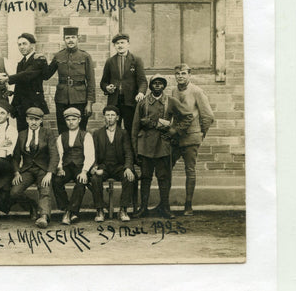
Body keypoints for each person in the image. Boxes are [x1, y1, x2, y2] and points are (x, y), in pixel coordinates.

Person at [131, 74, 193, 219]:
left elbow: (188, 116)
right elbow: (135, 128)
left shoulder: (170, 101)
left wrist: (175, 131)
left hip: (163, 146)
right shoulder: (143, 103)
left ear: (164, 86)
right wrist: (136, 151)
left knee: (164, 178)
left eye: (160, 83)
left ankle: (165, 208)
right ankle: (143, 208)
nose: (157, 86)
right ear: (150, 86)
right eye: (155, 83)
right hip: (145, 146)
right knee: (145, 178)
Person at [171, 64, 215, 216]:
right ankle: (164, 204)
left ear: (189, 75)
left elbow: (208, 116)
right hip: (177, 138)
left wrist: (201, 133)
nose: (180, 76)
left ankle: (188, 204)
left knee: (190, 170)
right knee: (166, 166)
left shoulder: (197, 91)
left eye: (183, 73)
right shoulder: (174, 91)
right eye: (177, 74)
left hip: (192, 137)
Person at [11, 107, 59, 228]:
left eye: (36, 120)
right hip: (27, 170)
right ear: (27, 120)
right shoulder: (21, 135)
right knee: (14, 192)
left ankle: (43, 217)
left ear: (41, 120)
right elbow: (16, 157)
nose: (33, 122)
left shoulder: (47, 133)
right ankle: (32, 206)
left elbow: (54, 155)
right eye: (31, 119)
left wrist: (49, 173)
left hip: (43, 169)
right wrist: (17, 172)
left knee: (45, 190)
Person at [44, 26, 95, 134]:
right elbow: (46, 74)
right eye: (67, 38)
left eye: (73, 37)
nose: (70, 40)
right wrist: (41, 60)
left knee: (80, 130)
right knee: (62, 130)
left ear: (78, 38)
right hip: (62, 100)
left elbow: (91, 81)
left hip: (80, 100)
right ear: (64, 39)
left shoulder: (85, 56)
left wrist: (89, 103)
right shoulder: (58, 55)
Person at [90, 105, 137, 222]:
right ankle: (99, 210)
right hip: (103, 167)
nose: (110, 118)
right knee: (95, 178)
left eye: (112, 115)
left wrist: (128, 168)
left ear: (117, 117)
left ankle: (123, 209)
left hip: (119, 166)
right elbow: (93, 153)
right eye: (107, 115)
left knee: (130, 177)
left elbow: (128, 153)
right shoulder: (97, 133)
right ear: (104, 117)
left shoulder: (123, 133)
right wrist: (95, 167)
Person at [0, 33, 49, 132]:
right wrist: (14, 106)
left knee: (35, 134)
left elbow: (27, 75)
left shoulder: (38, 59)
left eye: (24, 44)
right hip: (21, 107)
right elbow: (20, 85)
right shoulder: (21, 62)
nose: (21, 47)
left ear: (32, 45)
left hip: (34, 105)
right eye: (19, 44)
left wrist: (7, 79)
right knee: (22, 135)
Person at [52, 107, 95, 225]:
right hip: (67, 166)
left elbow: (90, 156)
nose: (71, 122)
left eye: (74, 119)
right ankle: (69, 210)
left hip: (81, 167)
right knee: (56, 180)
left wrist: (85, 171)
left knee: (81, 182)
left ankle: (68, 213)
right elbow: (59, 154)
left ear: (79, 120)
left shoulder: (86, 135)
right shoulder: (62, 136)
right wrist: (60, 168)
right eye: (68, 120)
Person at [100, 33, 147, 133]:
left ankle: (129, 149)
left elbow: (142, 81)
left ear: (128, 44)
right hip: (114, 101)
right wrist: (107, 87)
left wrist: (141, 93)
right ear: (114, 46)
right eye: (117, 43)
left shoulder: (136, 60)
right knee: (112, 129)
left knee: (130, 129)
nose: (120, 45)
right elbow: (103, 82)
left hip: (130, 101)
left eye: (122, 43)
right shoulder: (110, 61)